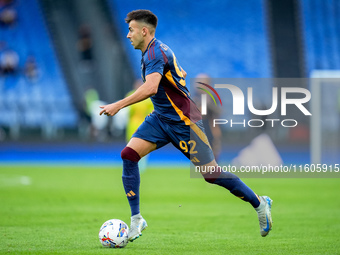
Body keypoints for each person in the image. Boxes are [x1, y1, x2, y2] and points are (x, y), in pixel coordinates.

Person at [99, 10, 273, 242]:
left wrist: (119, 104)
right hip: (161, 118)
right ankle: (137, 219)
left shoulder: (155, 53)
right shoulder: (150, 52)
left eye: (131, 30)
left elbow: (151, 88)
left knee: (211, 174)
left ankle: (260, 204)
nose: (128, 34)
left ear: (144, 31)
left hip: (185, 121)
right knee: (129, 154)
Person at [125, 79, 153, 173]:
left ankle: (139, 164)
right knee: (135, 145)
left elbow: (128, 111)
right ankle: (137, 163)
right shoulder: (147, 97)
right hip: (137, 123)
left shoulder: (131, 95)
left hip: (139, 123)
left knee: (138, 145)